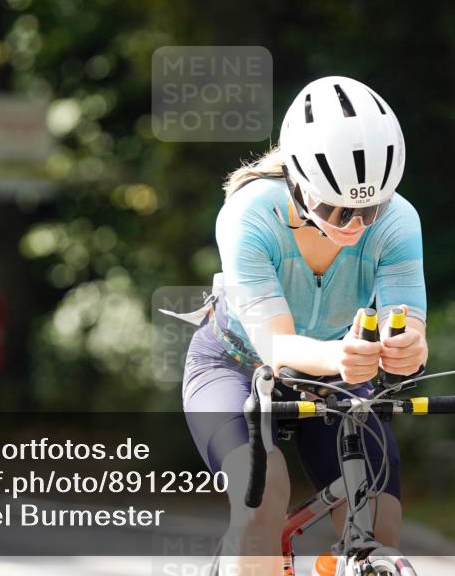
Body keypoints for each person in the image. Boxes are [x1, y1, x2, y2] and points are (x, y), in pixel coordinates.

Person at [180, 76, 428, 575]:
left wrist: (408, 351)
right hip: (234, 365)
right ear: (297, 181)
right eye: (337, 207)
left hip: (334, 372)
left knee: (379, 521)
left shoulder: (399, 221)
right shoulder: (248, 214)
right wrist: (343, 357)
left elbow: (412, 332)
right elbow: (276, 344)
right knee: (262, 501)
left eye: (371, 207)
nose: (356, 224)